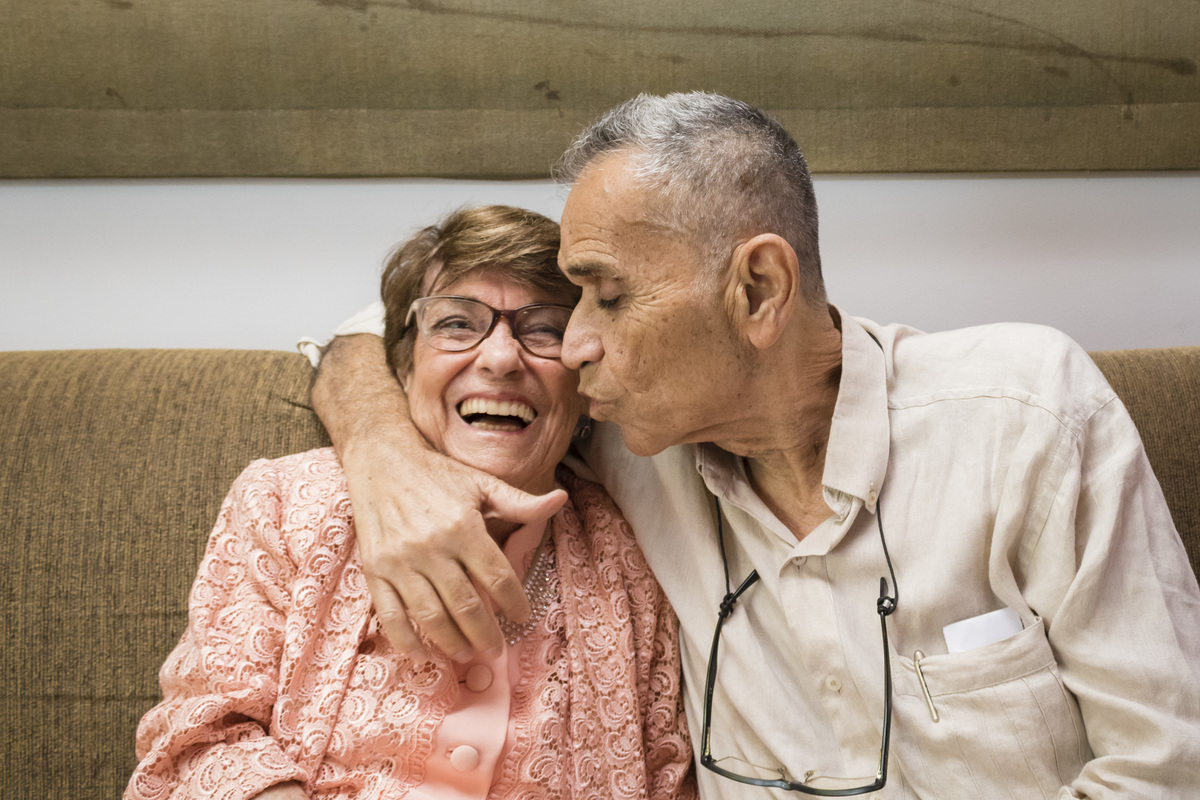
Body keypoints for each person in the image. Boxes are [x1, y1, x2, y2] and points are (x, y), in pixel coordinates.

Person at [309, 94, 1200, 798]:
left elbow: (1169, 767)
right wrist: (387, 459)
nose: (575, 343)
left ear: (759, 289)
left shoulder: (1025, 414)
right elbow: (382, 335)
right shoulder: (624, 441)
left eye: (608, 297)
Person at [126, 205, 697, 800]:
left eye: (546, 330)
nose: (500, 359)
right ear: (402, 366)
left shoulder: (632, 552)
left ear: (582, 379)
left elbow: (664, 774)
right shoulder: (284, 503)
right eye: (456, 324)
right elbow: (204, 738)